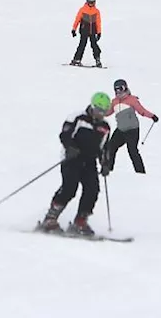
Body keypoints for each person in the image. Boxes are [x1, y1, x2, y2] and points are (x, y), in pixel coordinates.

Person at [38, 92, 112, 236]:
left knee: (92, 190)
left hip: (89, 161)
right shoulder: (78, 117)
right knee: (70, 188)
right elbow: (65, 134)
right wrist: (70, 147)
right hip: (71, 158)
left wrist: (105, 163)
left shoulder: (105, 127)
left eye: (104, 111)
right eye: (98, 110)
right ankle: (50, 219)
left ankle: (80, 221)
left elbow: (104, 148)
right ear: (92, 106)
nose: (100, 114)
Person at [102, 79, 157, 175]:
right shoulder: (114, 102)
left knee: (132, 151)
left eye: (120, 89)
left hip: (132, 130)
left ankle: (140, 173)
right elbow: (108, 112)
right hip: (121, 130)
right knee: (111, 147)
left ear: (125, 88)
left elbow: (141, 111)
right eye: (116, 89)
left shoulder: (132, 100)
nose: (118, 92)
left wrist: (152, 116)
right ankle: (108, 169)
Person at [70, 0, 102, 67]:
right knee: (82, 45)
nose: (91, 4)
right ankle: (77, 59)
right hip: (84, 30)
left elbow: (98, 22)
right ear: (87, 2)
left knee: (94, 45)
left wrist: (99, 32)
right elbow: (77, 19)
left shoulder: (96, 11)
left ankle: (97, 59)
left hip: (92, 31)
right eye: (90, 2)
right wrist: (74, 29)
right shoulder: (83, 9)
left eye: (92, 2)